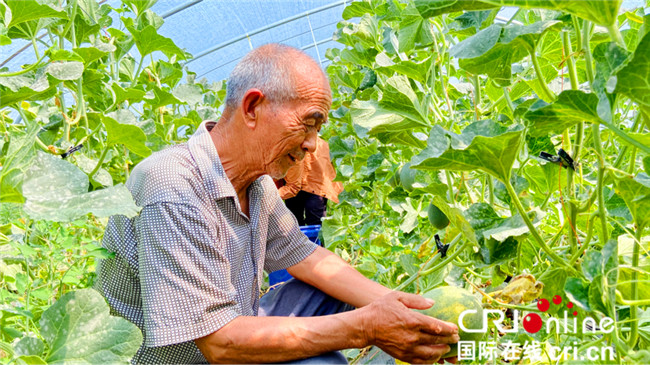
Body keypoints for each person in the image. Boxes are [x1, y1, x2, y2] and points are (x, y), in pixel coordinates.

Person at [95, 43, 458, 364]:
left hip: (236, 326)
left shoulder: (258, 185)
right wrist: (365, 329)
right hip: (193, 357)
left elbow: (309, 258)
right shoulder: (173, 185)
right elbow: (219, 344)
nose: (313, 145)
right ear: (253, 107)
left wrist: (401, 308)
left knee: (329, 287)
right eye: (309, 124)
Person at [278, 137, 343, 226]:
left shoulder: (292, 147)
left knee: (312, 221)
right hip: (305, 182)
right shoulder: (317, 141)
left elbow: (293, 187)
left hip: (315, 185)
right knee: (295, 222)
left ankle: (312, 239)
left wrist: (270, 195)